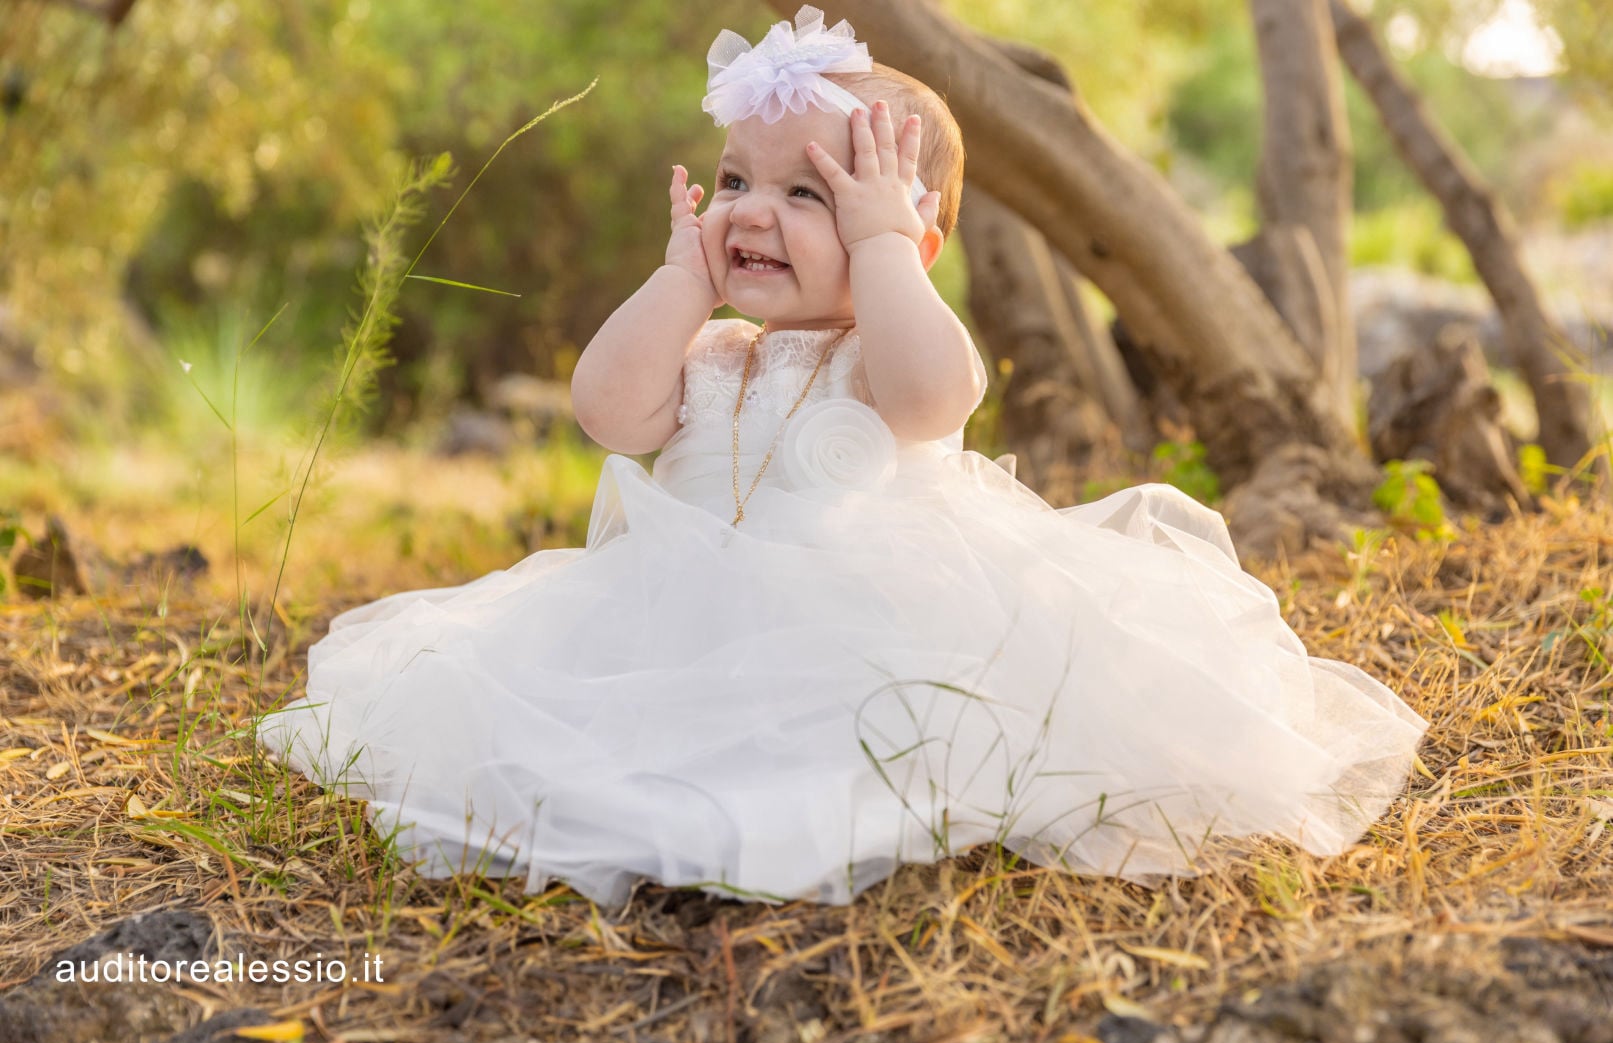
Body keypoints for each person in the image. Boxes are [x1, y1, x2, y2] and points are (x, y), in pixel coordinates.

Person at [262, 7, 1427, 907]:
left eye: (809, 193)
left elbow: (938, 398)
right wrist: (678, 277)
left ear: (911, 236)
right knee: (587, 729)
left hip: (868, 636)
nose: (750, 212)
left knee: (874, 748)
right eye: (732, 183)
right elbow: (608, 413)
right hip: (671, 635)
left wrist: (877, 251)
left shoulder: (889, 354)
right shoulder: (713, 346)